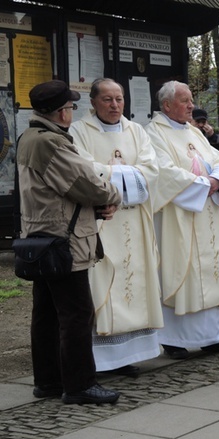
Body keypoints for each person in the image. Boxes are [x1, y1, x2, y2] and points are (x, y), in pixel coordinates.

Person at [17, 80, 122, 404]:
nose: (71, 112)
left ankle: (48, 381)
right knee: (77, 313)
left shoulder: (29, 137)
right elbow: (87, 184)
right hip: (64, 239)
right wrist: (113, 195)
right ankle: (79, 385)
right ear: (60, 112)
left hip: (41, 237)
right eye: (69, 107)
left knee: (46, 313)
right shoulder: (51, 142)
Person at [145, 80, 219, 359]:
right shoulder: (154, 134)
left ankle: (215, 336)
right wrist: (204, 185)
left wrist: (217, 180)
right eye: (185, 101)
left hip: (207, 213)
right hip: (179, 217)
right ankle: (173, 338)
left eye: (191, 99)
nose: (192, 105)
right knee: (180, 273)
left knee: (212, 271)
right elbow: (162, 173)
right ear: (167, 105)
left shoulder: (194, 132)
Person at [69, 78, 163, 378]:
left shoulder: (136, 131)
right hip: (100, 221)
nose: (114, 105)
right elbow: (83, 169)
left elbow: (151, 170)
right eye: (107, 100)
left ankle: (126, 355)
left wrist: (113, 176)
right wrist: (123, 176)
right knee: (102, 283)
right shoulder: (79, 132)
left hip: (133, 220)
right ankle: (100, 359)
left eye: (119, 99)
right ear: (93, 102)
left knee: (134, 281)